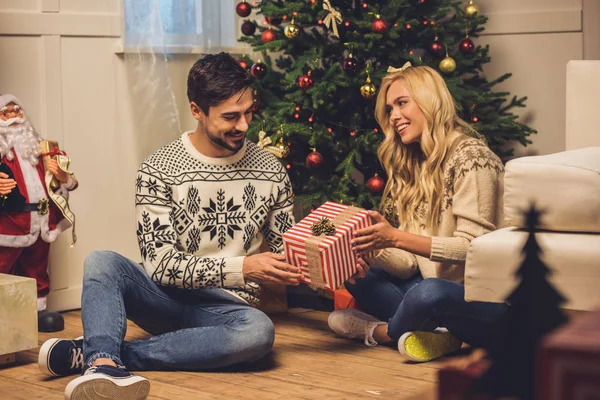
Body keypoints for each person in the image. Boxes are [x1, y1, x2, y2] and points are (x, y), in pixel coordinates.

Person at [37, 52, 303, 400]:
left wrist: (327, 261)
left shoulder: (270, 169)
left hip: (229, 313)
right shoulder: (159, 169)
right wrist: (245, 267)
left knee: (258, 333)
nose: (243, 125)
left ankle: (103, 358)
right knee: (101, 261)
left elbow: (288, 250)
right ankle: (103, 361)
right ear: (197, 110)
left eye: (248, 112)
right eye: (230, 116)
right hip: (164, 297)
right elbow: (162, 267)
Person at [327, 63, 508, 362]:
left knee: (428, 294)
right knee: (357, 274)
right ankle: (437, 334)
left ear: (429, 101)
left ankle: (382, 332)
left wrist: (396, 237)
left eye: (402, 103)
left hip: (486, 301)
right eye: (389, 109)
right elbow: (410, 265)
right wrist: (373, 245)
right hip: (435, 291)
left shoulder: (472, 158)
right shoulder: (413, 164)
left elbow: (474, 249)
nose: (394, 116)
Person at [0, 94, 78, 333]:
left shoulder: (42, 149)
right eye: (6, 113)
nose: (13, 117)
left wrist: (63, 177)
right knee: (5, 270)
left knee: (37, 267)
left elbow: (71, 182)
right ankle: (5, 315)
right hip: (11, 224)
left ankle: (37, 310)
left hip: (42, 220)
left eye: (17, 111)